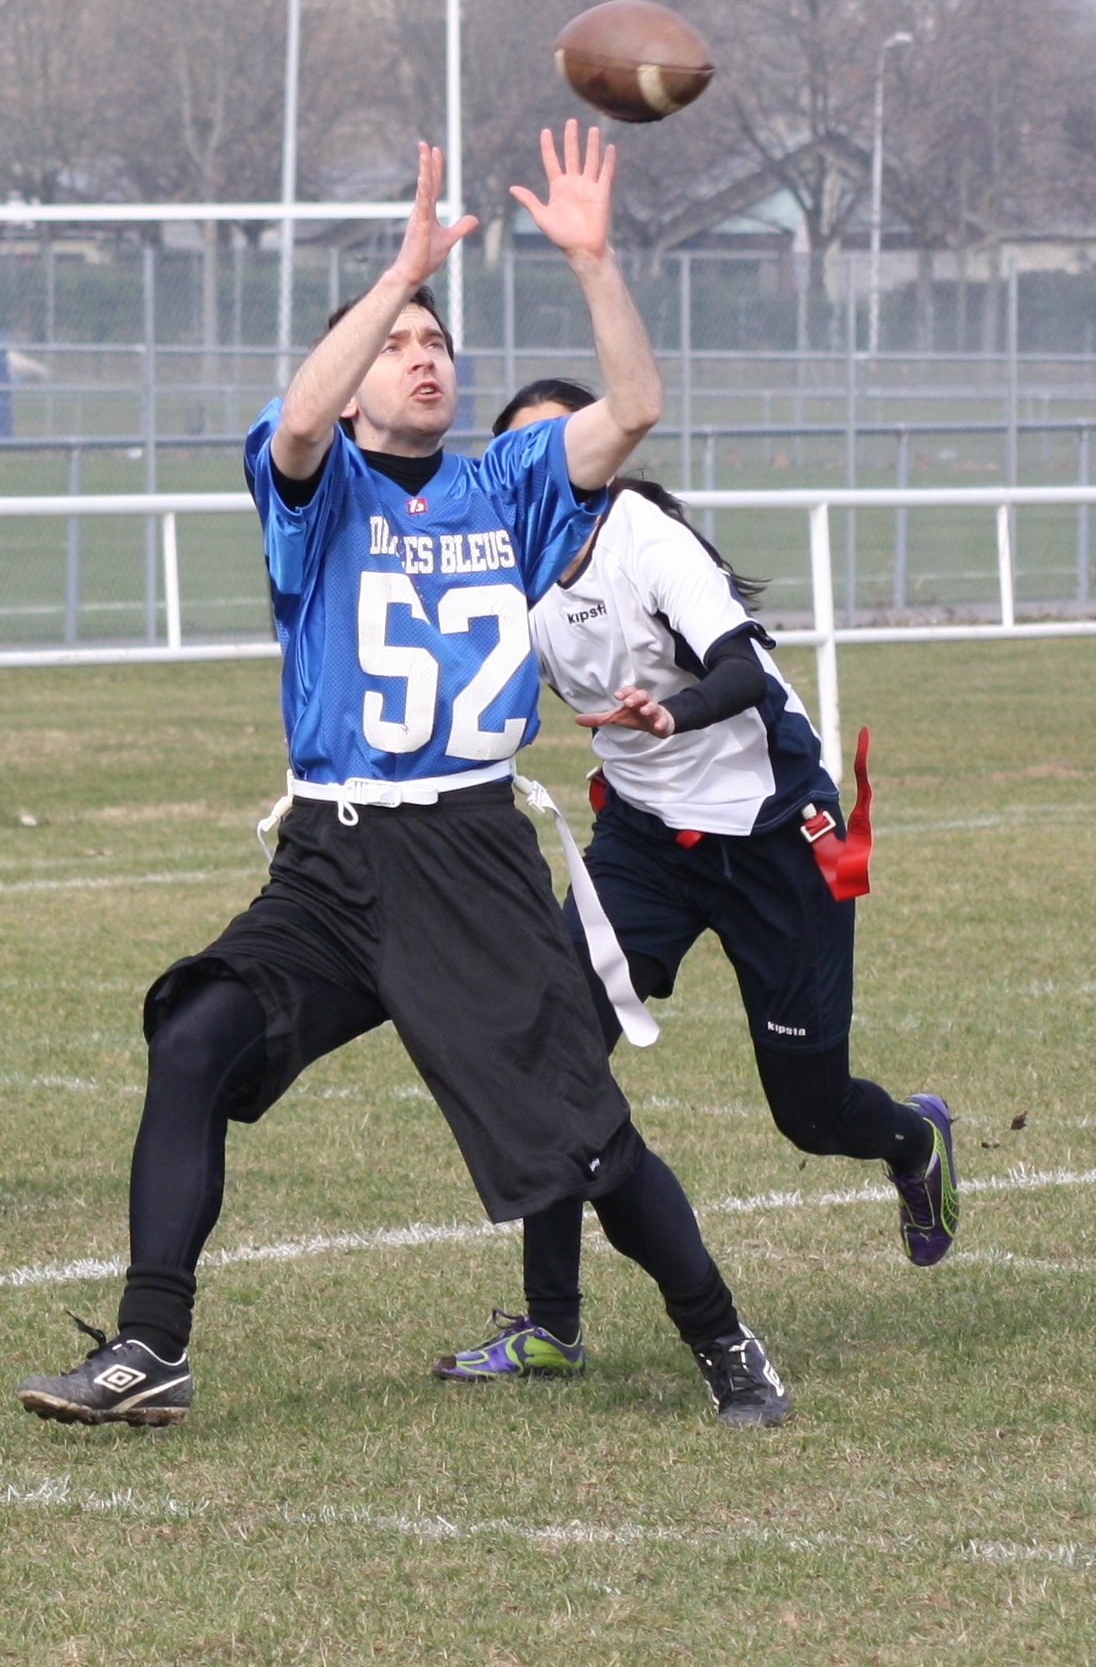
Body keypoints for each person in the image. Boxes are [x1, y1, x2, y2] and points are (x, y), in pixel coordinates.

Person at [17, 126, 787, 1432]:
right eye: (399, 343)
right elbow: (305, 417)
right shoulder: (317, 487)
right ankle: (150, 1344)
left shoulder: (509, 483)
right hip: (332, 853)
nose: (424, 354)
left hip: (470, 855)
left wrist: (596, 264)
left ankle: (721, 1334)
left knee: (587, 1141)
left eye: (436, 340)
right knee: (193, 1037)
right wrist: (397, 273)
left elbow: (636, 405)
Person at [435, 378, 959, 1382]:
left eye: (570, 443)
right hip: (643, 844)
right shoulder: (505, 573)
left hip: (775, 835)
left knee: (809, 1113)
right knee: (553, 1060)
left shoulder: (646, 538)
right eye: (525, 457)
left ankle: (911, 1143)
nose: (552, 469)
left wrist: (671, 715)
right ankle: (551, 1327)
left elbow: (741, 671)